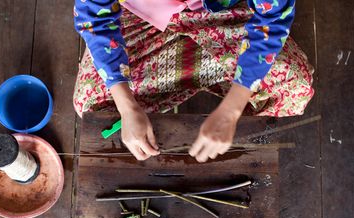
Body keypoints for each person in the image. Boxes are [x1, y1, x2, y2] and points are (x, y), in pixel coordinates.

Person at [73, 0, 314, 162]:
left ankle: (239, 133)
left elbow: (272, 19)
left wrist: (232, 110)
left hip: (223, 12)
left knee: (295, 85)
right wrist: (127, 106)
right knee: (90, 102)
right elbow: (94, 20)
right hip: (139, 18)